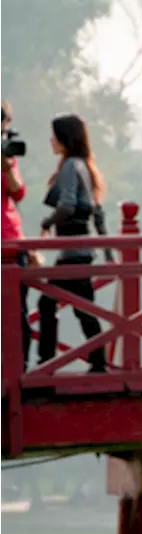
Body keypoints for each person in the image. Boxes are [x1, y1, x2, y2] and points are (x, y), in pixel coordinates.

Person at [38, 114, 110, 373]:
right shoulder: (85, 166)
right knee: (83, 307)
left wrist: (47, 222)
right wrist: (109, 251)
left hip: (72, 249)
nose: (51, 141)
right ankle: (97, 361)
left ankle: (46, 362)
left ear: (64, 139)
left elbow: (67, 205)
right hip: (83, 248)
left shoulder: (70, 166)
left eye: (54, 136)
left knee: (51, 303)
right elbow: (98, 212)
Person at [0, 101, 29, 367]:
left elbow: (17, 192)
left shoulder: (5, 153)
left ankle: (19, 368)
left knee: (15, 310)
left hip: (8, 239)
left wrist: (6, 166)